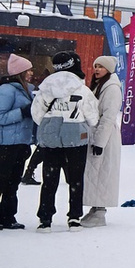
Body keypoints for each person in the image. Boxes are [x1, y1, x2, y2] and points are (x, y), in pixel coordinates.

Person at [31, 51, 100, 232]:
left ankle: (45, 220)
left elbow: (36, 114)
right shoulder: (82, 90)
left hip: (51, 140)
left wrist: (53, 124)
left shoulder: (45, 89)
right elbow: (93, 118)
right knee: (76, 179)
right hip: (76, 140)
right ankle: (74, 217)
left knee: (49, 180)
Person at [80, 56, 123, 227]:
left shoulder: (112, 89)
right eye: (96, 66)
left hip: (105, 137)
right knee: (95, 174)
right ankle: (95, 208)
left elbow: (108, 117)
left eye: (101, 67)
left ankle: (100, 211)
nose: (97, 69)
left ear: (109, 69)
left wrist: (99, 142)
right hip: (97, 135)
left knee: (102, 174)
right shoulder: (100, 85)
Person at [0, 54, 36, 230]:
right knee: (2, 181)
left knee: (13, 182)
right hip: (5, 144)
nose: (31, 72)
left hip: (20, 144)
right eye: (28, 70)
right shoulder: (7, 90)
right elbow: (1, 117)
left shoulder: (28, 90)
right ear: (19, 72)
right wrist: (22, 112)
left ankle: (8, 217)